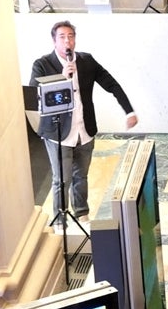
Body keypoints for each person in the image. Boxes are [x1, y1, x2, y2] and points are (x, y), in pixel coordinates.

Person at [30, 21, 138, 228]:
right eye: (62, 37)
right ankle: (60, 220)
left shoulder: (86, 61)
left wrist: (129, 111)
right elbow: (35, 96)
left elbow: (111, 84)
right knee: (62, 178)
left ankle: (81, 214)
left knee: (82, 174)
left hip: (84, 129)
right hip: (58, 132)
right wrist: (63, 78)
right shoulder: (42, 64)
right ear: (54, 41)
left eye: (70, 36)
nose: (67, 40)